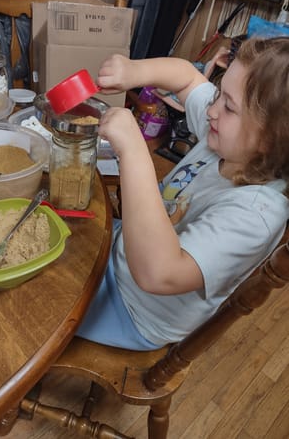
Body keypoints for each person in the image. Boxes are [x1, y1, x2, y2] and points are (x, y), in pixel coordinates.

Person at [76, 37, 289, 350]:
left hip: (134, 311)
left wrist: (134, 151)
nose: (212, 111)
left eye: (228, 106)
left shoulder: (256, 215)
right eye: (218, 94)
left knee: (38, 305)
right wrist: (134, 70)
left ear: (270, 140)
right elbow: (187, 76)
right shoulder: (228, 139)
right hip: (122, 251)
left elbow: (158, 274)